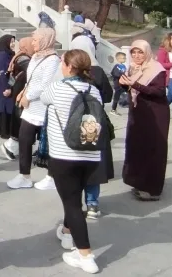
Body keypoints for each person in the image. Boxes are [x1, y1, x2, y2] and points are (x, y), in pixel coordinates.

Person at [43, 50, 103, 274]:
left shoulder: (58, 88)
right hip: (91, 155)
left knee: (73, 205)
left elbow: (41, 98)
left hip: (64, 156)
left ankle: (85, 255)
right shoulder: (94, 90)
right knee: (74, 198)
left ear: (68, 66)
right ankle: (68, 232)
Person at [68, 33, 115, 220]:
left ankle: (74, 204)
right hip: (95, 123)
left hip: (72, 124)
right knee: (94, 163)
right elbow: (109, 96)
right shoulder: (98, 72)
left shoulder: (68, 72)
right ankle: (93, 203)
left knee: (75, 164)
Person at [7, 28, 59, 190]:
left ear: (45, 40)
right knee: (24, 139)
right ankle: (25, 175)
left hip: (44, 107)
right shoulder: (36, 57)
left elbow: (45, 85)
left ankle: (52, 176)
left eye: (36, 40)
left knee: (49, 143)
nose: (33, 42)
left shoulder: (53, 60)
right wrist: (23, 91)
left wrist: (27, 97)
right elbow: (31, 80)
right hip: (30, 108)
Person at [119, 39, 169, 201]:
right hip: (138, 112)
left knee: (153, 149)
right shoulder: (133, 67)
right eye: (133, 52)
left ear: (147, 52)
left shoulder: (156, 69)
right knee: (137, 147)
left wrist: (135, 85)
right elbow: (132, 89)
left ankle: (153, 189)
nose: (136, 55)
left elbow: (159, 91)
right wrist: (124, 85)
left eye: (140, 52)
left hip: (155, 114)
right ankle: (139, 182)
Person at [1, 36, 33, 160]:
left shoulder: (19, 56)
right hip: (20, 88)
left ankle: (14, 146)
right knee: (19, 115)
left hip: (19, 87)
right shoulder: (23, 57)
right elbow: (31, 71)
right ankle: (10, 145)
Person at [0, 34, 18, 144]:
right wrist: (7, 88)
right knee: (4, 108)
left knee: (7, 108)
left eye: (13, 41)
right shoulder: (3, 55)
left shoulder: (9, 54)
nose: (13, 44)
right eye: (11, 42)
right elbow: (3, 74)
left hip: (8, 85)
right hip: (3, 87)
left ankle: (6, 131)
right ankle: (4, 132)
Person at [109, 51, 129, 115]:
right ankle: (113, 109)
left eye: (125, 58)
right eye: (123, 58)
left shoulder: (123, 66)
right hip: (118, 84)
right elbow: (114, 74)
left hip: (124, 84)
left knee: (129, 92)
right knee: (116, 97)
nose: (124, 59)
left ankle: (129, 105)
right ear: (118, 59)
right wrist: (122, 74)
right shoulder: (117, 66)